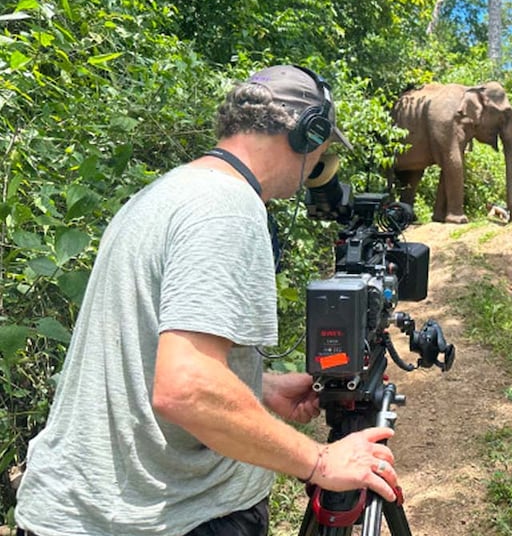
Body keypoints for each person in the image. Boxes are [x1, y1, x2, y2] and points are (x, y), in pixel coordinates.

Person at [15, 65, 400, 536]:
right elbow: (186, 389)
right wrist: (320, 461)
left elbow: (145, 354)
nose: (319, 161)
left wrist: (258, 386)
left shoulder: (164, 193)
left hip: (75, 511)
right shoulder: (230, 208)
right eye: (323, 145)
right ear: (308, 133)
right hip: (167, 519)